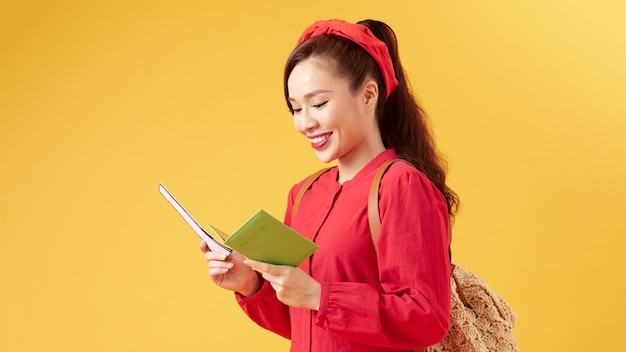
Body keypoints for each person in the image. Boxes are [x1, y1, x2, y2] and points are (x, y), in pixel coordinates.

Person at [200, 19, 459, 352]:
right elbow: (303, 322)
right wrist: (251, 284)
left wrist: (319, 295)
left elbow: (427, 319)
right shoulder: (303, 194)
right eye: (295, 108)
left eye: (318, 104)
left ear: (368, 95)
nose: (304, 122)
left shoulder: (401, 185)